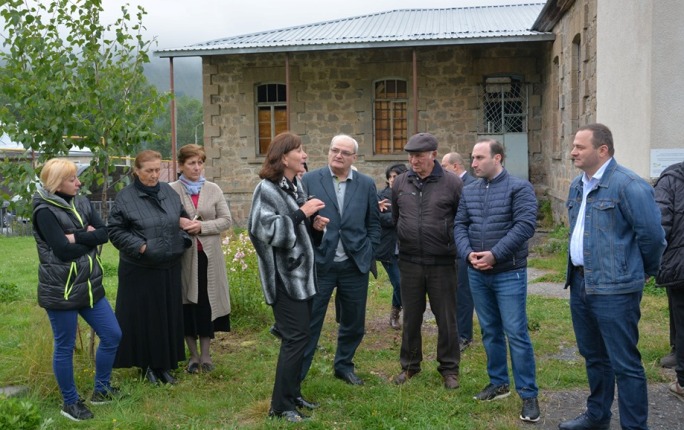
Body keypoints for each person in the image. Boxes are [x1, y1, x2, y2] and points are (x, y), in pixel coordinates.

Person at [559, 123, 666, 430]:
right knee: (594, 357)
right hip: (580, 283)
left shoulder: (629, 185)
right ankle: (597, 416)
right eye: (573, 146)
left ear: (602, 150)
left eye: (580, 147)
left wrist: (642, 270)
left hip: (615, 289)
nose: (573, 152)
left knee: (625, 364)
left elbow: (653, 237)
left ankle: (634, 426)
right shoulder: (578, 185)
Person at [454, 138, 540, 422]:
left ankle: (528, 394)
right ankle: (498, 383)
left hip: (508, 272)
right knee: (490, 330)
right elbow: (460, 224)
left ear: (498, 158)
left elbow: (525, 226)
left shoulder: (520, 188)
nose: (474, 164)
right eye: (472, 158)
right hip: (477, 272)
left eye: (479, 158)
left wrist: (495, 254)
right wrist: (468, 254)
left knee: (516, 333)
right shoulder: (470, 190)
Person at [31, 158, 122, 422]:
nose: (79, 183)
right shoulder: (44, 211)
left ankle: (102, 391)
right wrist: (87, 236)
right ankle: (70, 403)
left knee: (113, 334)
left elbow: (105, 233)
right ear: (56, 183)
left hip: (90, 285)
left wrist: (77, 236)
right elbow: (62, 250)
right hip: (61, 289)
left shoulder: (81, 201)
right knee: (65, 346)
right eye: (72, 179)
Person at [248, 132, 329, 422]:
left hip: (301, 276)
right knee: (295, 338)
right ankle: (280, 407)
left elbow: (298, 230)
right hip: (283, 278)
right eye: (300, 150)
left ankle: (293, 394)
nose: (305, 155)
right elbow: (262, 230)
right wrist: (301, 214)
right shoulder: (266, 189)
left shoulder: (296, 185)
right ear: (284, 157)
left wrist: (313, 225)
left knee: (303, 336)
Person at [299, 134, 381, 386]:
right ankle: (298, 373)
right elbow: (298, 217)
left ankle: (344, 365)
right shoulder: (310, 180)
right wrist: (312, 224)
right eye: (335, 150)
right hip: (321, 264)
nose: (338, 155)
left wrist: (369, 250)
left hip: (354, 264)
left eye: (345, 152)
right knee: (310, 322)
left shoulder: (366, 184)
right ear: (328, 152)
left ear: (354, 158)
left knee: (354, 322)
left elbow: (374, 223)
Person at [108, 150, 191, 385]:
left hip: (169, 264)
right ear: (136, 171)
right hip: (140, 269)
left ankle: (164, 365)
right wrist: (142, 247)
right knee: (145, 319)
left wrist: (183, 239)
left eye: (157, 170)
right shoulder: (125, 197)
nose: (155, 175)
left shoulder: (168, 192)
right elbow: (115, 230)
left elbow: (181, 218)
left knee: (167, 317)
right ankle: (146, 367)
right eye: (149, 171)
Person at [391, 133, 462, 390]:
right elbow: (396, 217)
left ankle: (449, 369)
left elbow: (461, 220)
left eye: (419, 156)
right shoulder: (400, 182)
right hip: (409, 262)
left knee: (446, 318)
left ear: (433, 154)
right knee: (411, 317)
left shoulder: (452, 184)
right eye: (410, 156)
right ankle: (410, 366)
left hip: (442, 262)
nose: (414, 161)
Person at [170, 144, 232, 374]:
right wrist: (181, 223)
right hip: (184, 258)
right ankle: (192, 356)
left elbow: (226, 220)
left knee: (206, 303)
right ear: (181, 165)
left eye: (200, 163)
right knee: (187, 304)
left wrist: (201, 226)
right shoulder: (171, 190)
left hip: (208, 257)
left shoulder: (213, 189)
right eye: (191, 163)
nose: (196, 168)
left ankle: (206, 355)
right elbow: (167, 218)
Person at [654, 161, 684, 401]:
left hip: (680, 263)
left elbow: (660, 224)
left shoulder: (671, 178)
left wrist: (652, 259)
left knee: (682, 315)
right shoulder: (672, 178)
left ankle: (683, 381)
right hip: (679, 260)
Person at [441, 152, 477, 352]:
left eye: (444, 166)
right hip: (448, 246)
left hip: (466, 247)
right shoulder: (445, 184)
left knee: (463, 291)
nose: (441, 169)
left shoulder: (470, 185)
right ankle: (453, 330)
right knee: (451, 290)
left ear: (455, 166)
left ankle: (464, 335)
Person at [376, 163, 407, 330]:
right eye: (391, 176)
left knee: (407, 283)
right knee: (399, 283)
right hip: (388, 247)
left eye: (397, 176)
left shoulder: (410, 194)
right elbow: (377, 218)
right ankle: (396, 312)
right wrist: (399, 218)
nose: (393, 179)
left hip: (407, 247)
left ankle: (398, 310)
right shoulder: (381, 196)